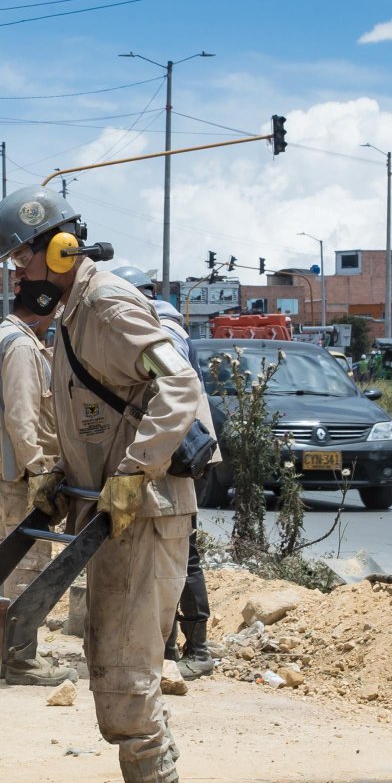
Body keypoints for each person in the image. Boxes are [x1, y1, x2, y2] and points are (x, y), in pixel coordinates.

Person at [0, 187, 202, 783]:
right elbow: (82, 418)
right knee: (108, 650)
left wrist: (136, 471)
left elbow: (181, 386)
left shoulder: (107, 305)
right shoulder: (71, 316)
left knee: (126, 657)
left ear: (53, 248)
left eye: (19, 260)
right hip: (112, 515)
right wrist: (55, 476)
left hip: (148, 509)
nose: (17, 274)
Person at [113, 264, 213, 681]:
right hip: (168, 452)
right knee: (167, 552)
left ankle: (198, 647)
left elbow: (171, 391)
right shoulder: (160, 323)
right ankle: (167, 646)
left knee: (181, 553)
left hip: (179, 453)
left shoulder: (163, 330)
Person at [0, 305, 68, 686]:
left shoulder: (7, 338)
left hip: (12, 474)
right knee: (29, 569)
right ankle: (20, 658)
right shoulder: (21, 347)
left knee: (10, 564)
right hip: (24, 477)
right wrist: (39, 470)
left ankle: (5, 652)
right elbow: (22, 417)